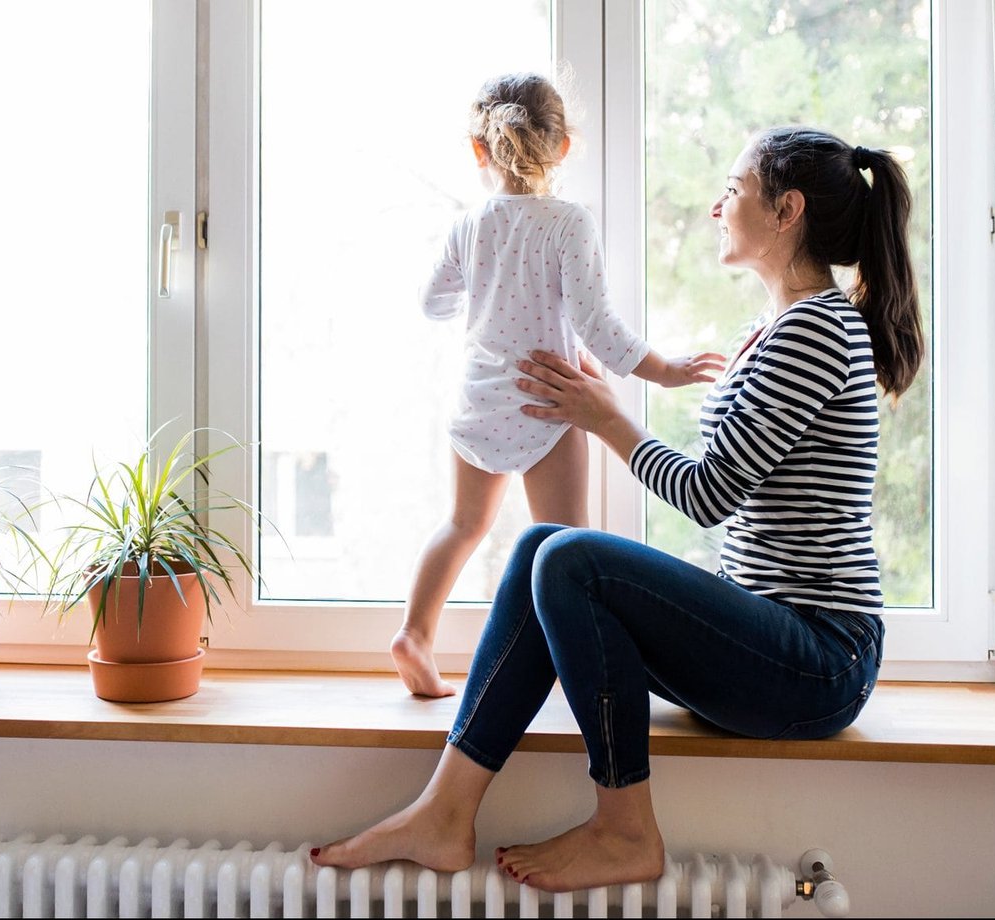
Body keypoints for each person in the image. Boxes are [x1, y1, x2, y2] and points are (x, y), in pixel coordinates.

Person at [316, 124, 924, 892]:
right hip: (773, 637)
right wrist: (606, 406)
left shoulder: (815, 331)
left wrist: (607, 418)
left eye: (733, 190)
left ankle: (625, 828)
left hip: (819, 659)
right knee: (544, 545)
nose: (716, 205)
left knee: (571, 557)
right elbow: (731, 476)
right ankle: (445, 811)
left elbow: (708, 493)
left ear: (786, 210)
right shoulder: (776, 329)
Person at [392, 72, 720, 698]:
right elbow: (598, 327)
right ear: (564, 146)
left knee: (462, 525)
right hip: (550, 401)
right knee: (568, 548)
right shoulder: (570, 224)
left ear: (478, 150)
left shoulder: (471, 224)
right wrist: (668, 370)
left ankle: (415, 633)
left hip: (480, 400)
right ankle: (570, 671)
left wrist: (483, 289)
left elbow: (432, 302)